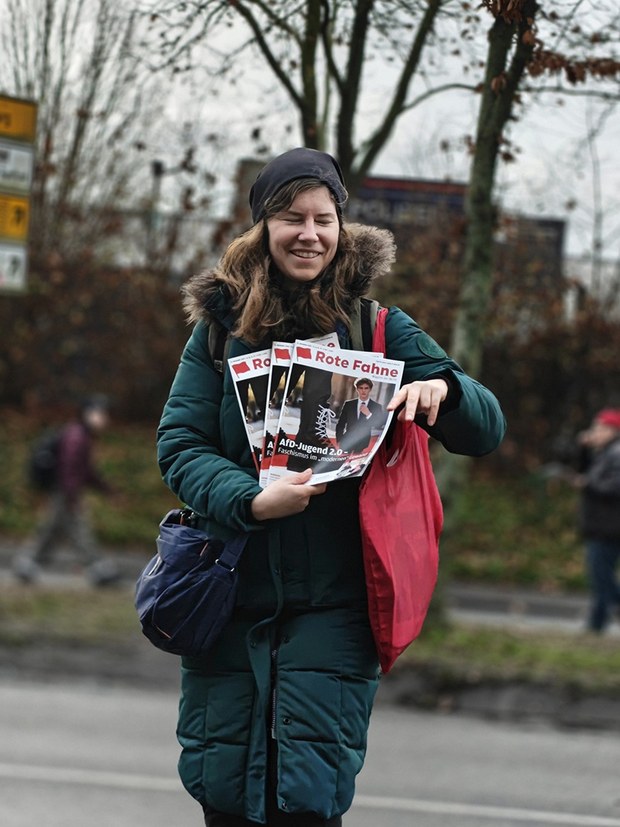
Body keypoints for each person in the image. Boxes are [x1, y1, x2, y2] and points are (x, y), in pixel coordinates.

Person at [157, 146, 507, 826]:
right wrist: (251, 498)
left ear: (342, 227)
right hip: (229, 601)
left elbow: (485, 428)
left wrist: (446, 388)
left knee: (306, 804)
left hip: (335, 609)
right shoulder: (218, 335)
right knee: (223, 793)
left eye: (324, 218)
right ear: (263, 226)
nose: (309, 234)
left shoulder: (377, 327)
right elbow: (180, 446)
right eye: (291, 217)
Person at [14, 394, 120, 587]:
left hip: (64, 490)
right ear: (87, 414)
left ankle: (27, 564)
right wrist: (72, 495)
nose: (104, 419)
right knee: (78, 530)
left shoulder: (80, 434)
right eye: (99, 413)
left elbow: (86, 471)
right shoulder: (77, 436)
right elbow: (69, 467)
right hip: (65, 491)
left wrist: (106, 489)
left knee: (52, 529)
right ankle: (98, 569)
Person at [573, 408, 620, 633]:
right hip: (601, 525)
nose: (595, 432)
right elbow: (585, 471)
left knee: (602, 577)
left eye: (600, 428)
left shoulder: (616, 453)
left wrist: (588, 484)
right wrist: (584, 449)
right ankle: (597, 624)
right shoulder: (604, 453)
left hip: (609, 527)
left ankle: (597, 624)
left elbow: (614, 486)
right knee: (601, 576)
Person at [335, 377, 385, 454]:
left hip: (363, 443)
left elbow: (379, 425)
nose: (363, 391)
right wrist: (339, 440)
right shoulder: (349, 404)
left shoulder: (376, 406)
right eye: (361, 388)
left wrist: (368, 414)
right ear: (357, 389)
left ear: (370, 389)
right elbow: (341, 424)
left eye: (366, 388)